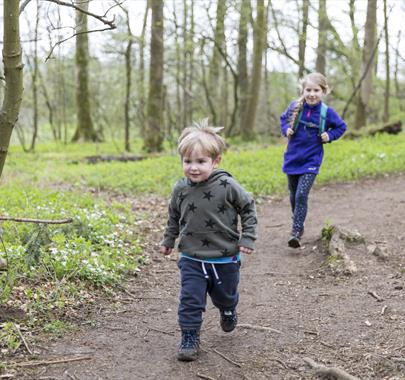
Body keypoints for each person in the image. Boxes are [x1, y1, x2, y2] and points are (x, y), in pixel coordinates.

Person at [160, 119, 257, 362]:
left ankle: (228, 310)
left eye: (201, 162)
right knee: (190, 299)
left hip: (224, 257)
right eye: (187, 161)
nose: (193, 168)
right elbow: (173, 216)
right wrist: (169, 239)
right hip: (191, 257)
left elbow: (248, 208)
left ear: (215, 161)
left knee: (225, 295)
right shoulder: (180, 189)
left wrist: (248, 237)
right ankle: (190, 337)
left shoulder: (227, 185)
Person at [280, 72, 347, 248]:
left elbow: (341, 126)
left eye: (316, 90)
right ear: (303, 91)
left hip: (312, 160)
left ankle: (295, 231)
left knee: (302, 194)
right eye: (308, 90)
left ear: (323, 91)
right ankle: (298, 223)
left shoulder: (327, 112)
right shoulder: (295, 107)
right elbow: (283, 119)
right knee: (294, 195)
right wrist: (286, 129)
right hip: (292, 158)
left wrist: (329, 135)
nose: (311, 94)